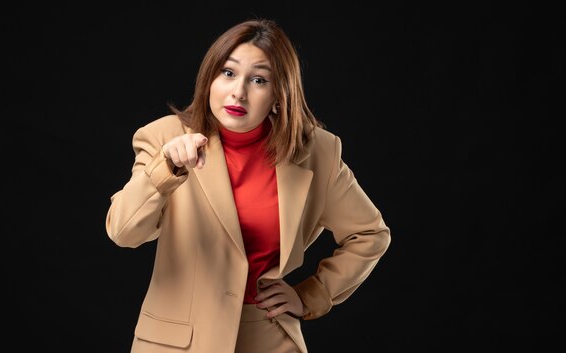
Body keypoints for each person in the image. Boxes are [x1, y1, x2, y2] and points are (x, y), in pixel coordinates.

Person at [105, 18, 391, 353]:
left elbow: (370, 234)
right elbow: (124, 232)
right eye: (228, 73)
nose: (238, 91)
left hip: (269, 338)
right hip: (178, 343)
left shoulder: (318, 152)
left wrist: (310, 295)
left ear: (279, 94)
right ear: (209, 78)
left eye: (259, 79)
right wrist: (164, 170)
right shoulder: (164, 137)